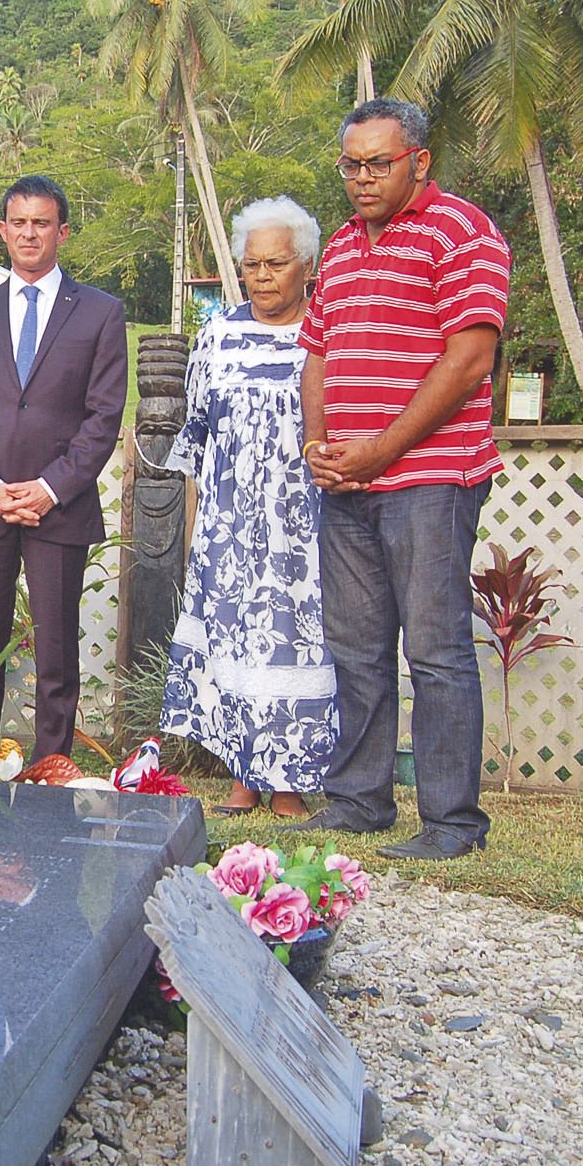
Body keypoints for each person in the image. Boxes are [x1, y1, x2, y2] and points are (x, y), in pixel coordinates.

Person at [283, 97, 510, 861]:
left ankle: (451, 823)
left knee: (437, 650)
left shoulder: (462, 232)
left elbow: (471, 357)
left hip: (432, 479)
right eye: (351, 164)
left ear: (421, 161)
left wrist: (381, 447)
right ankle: (358, 801)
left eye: (379, 163)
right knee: (356, 647)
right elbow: (318, 352)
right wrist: (320, 443)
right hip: (346, 483)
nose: (362, 178)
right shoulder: (342, 248)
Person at [0, 175, 129, 758]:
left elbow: (104, 415)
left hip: (58, 509)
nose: (29, 233)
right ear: (1, 231)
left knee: (56, 650)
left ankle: (52, 765)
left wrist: (50, 489)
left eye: (41, 223)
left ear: (62, 232)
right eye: (18, 223)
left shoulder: (99, 312)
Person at [162, 197, 337, 819]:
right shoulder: (218, 334)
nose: (262, 276)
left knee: (293, 641)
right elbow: (200, 433)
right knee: (236, 637)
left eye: (276, 264)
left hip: (305, 519)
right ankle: (241, 774)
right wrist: (207, 525)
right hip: (232, 522)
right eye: (252, 264)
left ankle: (289, 781)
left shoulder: (330, 334)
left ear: (307, 265)